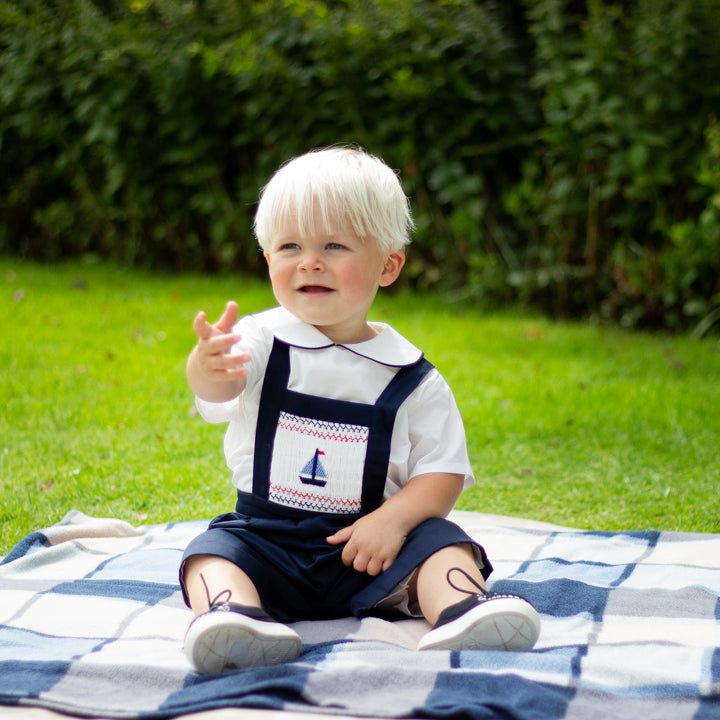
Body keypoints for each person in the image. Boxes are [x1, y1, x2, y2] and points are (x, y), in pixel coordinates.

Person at [180, 147, 540, 674]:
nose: (310, 261)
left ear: (388, 265)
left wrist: (393, 523)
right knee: (210, 551)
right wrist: (209, 367)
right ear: (267, 260)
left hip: (372, 552)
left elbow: (444, 472)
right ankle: (235, 617)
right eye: (290, 246)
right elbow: (215, 391)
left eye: (334, 245)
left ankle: (463, 611)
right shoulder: (259, 341)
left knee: (443, 542)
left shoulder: (411, 376)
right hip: (267, 543)